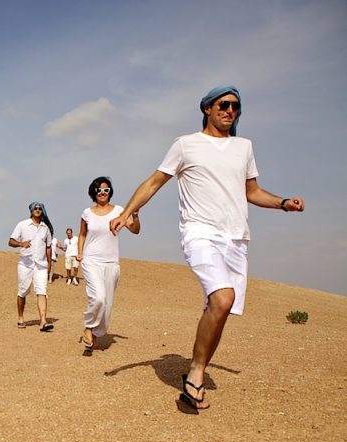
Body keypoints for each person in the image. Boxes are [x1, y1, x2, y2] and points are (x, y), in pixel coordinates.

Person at [110, 85, 304, 411]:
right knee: (223, 296)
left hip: (236, 238)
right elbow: (154, 181)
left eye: (236, 107)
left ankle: (197, 367)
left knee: (220, 306)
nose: (230, 111)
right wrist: (126, 212)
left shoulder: (244, 147)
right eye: (224, 105)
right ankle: (196, 373)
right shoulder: (186, 145)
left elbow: (251, 192)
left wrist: (282, 203)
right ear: (207, 109)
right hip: (199, 233)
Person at [77, 177, 140, 354]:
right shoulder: (87, 213)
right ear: (93, 193)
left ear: (110, 191)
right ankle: (88, 328)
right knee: (98, 297)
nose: (102, 193)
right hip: (91, 260)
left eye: (105, 190)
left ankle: (94, 336)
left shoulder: (119, 211)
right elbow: (82, 234)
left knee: (107, 304)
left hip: (111, 262)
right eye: (99, 190)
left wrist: (134, 215)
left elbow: (135, 230)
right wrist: (80, 252)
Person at [8, 202, 54, 331]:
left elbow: (48, 247)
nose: (38, 210)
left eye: (40, 208)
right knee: (23, 291)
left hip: (41, 265)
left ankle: (43, 321)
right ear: (31, 210)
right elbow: (10, 241)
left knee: (42, 291)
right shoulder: (22, 225)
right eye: (35, 208)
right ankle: (21, 317)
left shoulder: (46, 228)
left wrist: (49, 263)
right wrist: (21, 244)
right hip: (25, 264)